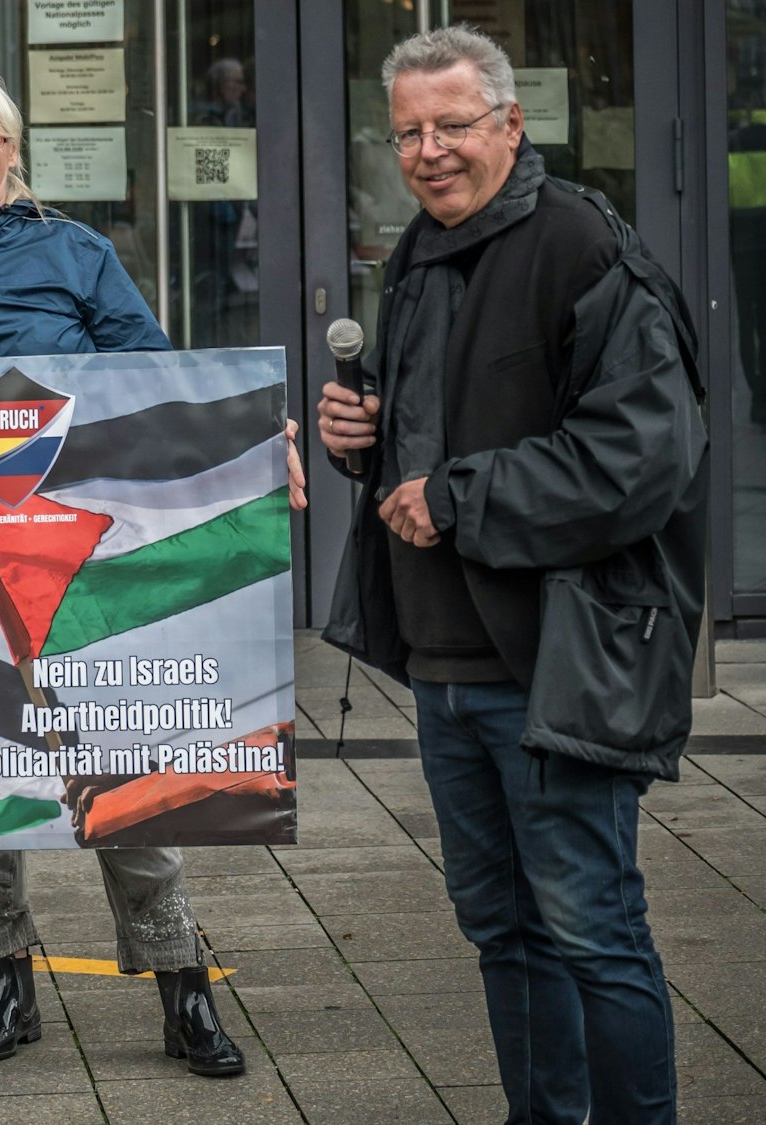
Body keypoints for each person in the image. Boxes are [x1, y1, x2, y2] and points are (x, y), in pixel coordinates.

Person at [0, 67, 304, 1073]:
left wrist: (255, 444)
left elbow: (156, 386)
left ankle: (180, 978)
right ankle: (4, 977)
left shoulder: (77, 255)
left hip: (71, 552)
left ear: (14, 149)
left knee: (113, 748)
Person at [316, 26, 706, 1125]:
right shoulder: (420, 252)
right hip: (446, 664)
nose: (429, 151)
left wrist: (455, 495)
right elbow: (435, 436)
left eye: (452, 125)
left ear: (511, 124)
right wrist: (362, 437)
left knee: (592, 931)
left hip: (557, 658)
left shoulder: (581, 247)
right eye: (407, 134)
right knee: (501, 929)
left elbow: (642, 458)